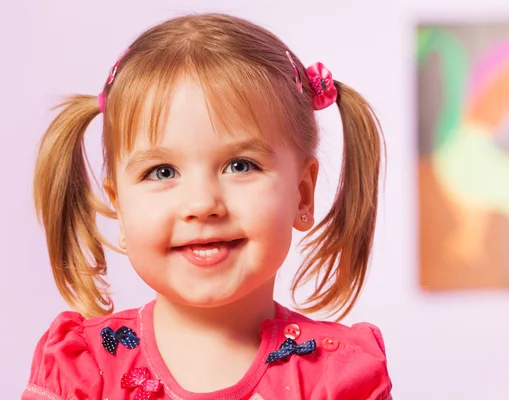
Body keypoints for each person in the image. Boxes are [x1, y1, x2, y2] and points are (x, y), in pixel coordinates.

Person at [23, 13, 391, 400]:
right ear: (121, 207)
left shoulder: (336, 376)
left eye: (240, 165)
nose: (202, 204)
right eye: (162, 171)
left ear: (302, 194)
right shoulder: (81, 370)